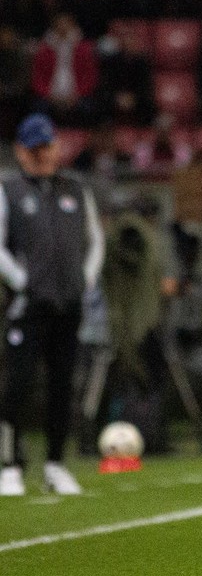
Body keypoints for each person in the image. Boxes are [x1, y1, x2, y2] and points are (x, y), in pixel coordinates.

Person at [1, 114, 105, 496]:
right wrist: (22, 282)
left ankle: (55, 464)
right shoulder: (9, 191)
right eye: (35, 148)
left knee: (63, 385)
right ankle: (11, 464)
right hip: (28, 306)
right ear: (21, 151)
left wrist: (87, 278)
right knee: (18, 384)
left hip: (68, 303)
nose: (43, 155)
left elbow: (95, 240)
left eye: (48, 146)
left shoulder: (76, 191)